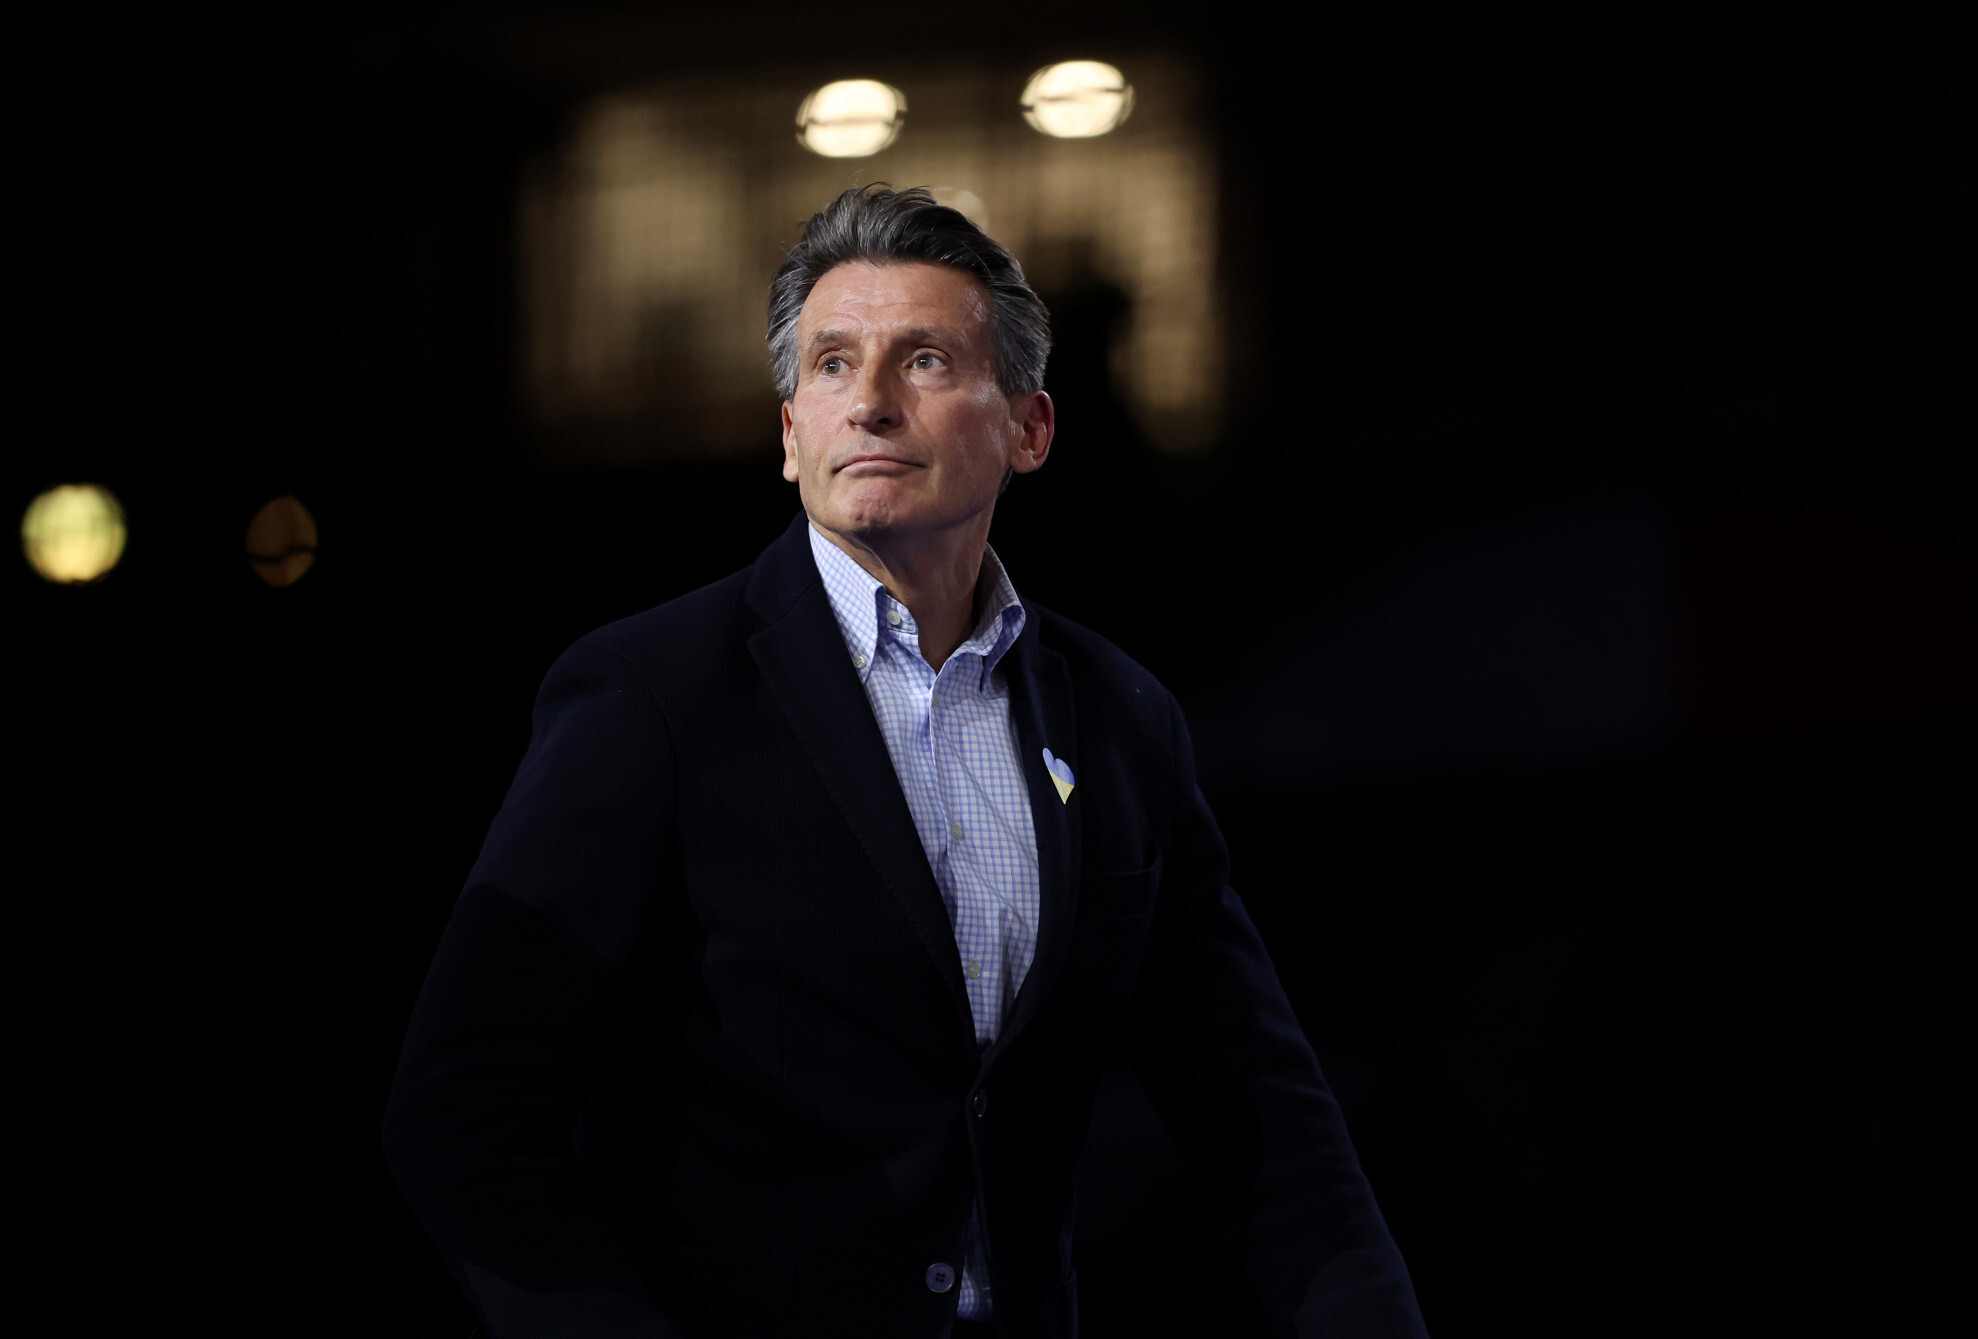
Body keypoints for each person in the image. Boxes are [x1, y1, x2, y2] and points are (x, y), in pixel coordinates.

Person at [384, 185, 1427, 1338]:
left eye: (924, 360)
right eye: (832, 364)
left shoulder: (1121, 720)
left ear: (1028, 429)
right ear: (791, 434)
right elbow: (463, 1113)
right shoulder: (651, 696)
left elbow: (1260, 1116)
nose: (871, 402)